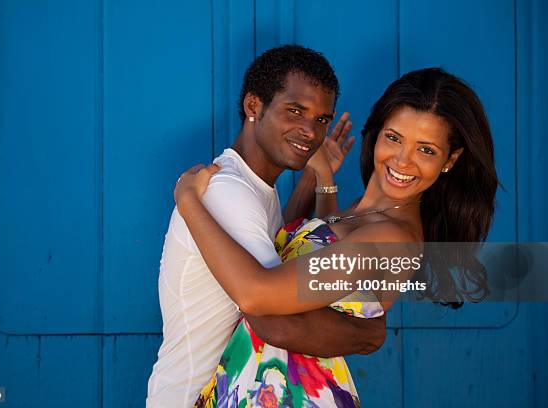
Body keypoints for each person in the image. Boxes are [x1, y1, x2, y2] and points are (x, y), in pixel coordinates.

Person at [174, 67, 499, 407]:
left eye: (426, 150)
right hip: (262, 383)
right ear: (377, 132)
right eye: (394, 138)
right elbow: (292, 254)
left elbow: (258, 298)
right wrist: (318, 179)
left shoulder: (390, 238)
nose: (403, 161)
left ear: (450, 160)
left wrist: (189, 202)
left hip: (289, 395)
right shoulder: (363, 212)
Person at [146, 45, 388, 408]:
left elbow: (298, 246)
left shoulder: (257, 189)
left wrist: (319, 176)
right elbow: (270, 309)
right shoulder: (227, 190)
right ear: (253, 106)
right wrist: (369, 333)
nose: (310, 131)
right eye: (295, 111)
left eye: (322, 119)